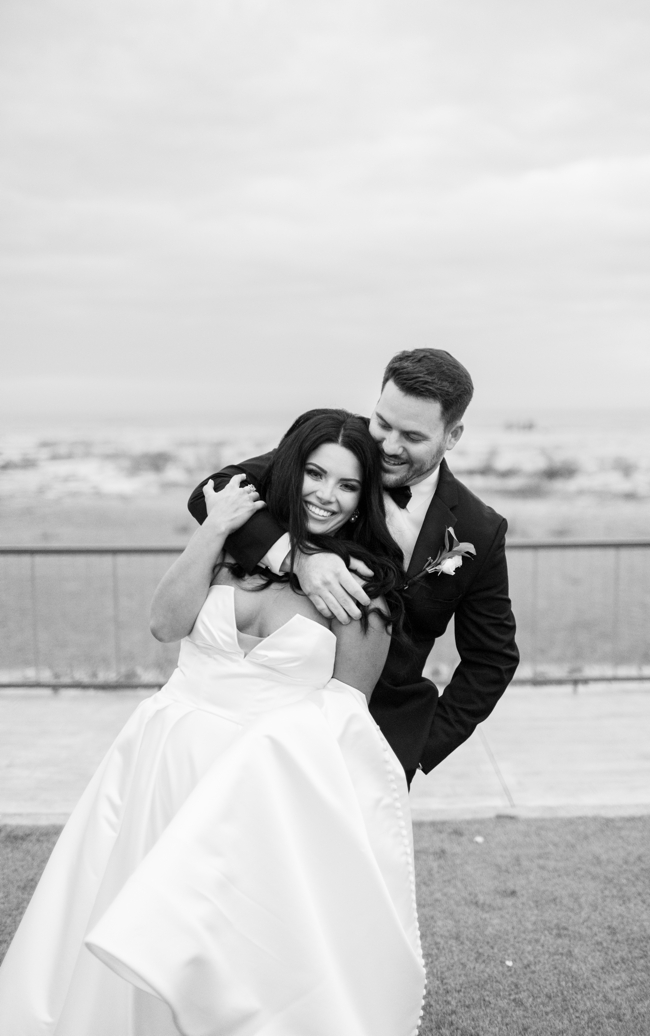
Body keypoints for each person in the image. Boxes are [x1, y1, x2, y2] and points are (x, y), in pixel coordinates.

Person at [0, 409, 426, 1035]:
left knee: (232, 948)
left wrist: (280, 765)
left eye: (347, 485)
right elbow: (165, 624)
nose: (326, 496)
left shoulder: (361, 589)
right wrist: (216, 527)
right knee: (129, 916)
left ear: (365, 498)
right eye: (314, 474)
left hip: (257, 794)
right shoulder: (233, 547)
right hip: (165, 760)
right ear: (289, 470)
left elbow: (345, 712)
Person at [188, 348, 519, 786]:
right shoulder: (333, 447)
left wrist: (419, 747)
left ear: (453, 435)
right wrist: (296, 557)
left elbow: (492, 658)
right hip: (268, 720)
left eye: (412, 437)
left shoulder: (480, 528)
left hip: (375, 744)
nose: (387, 446)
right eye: (383, 423)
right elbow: (212, 493)